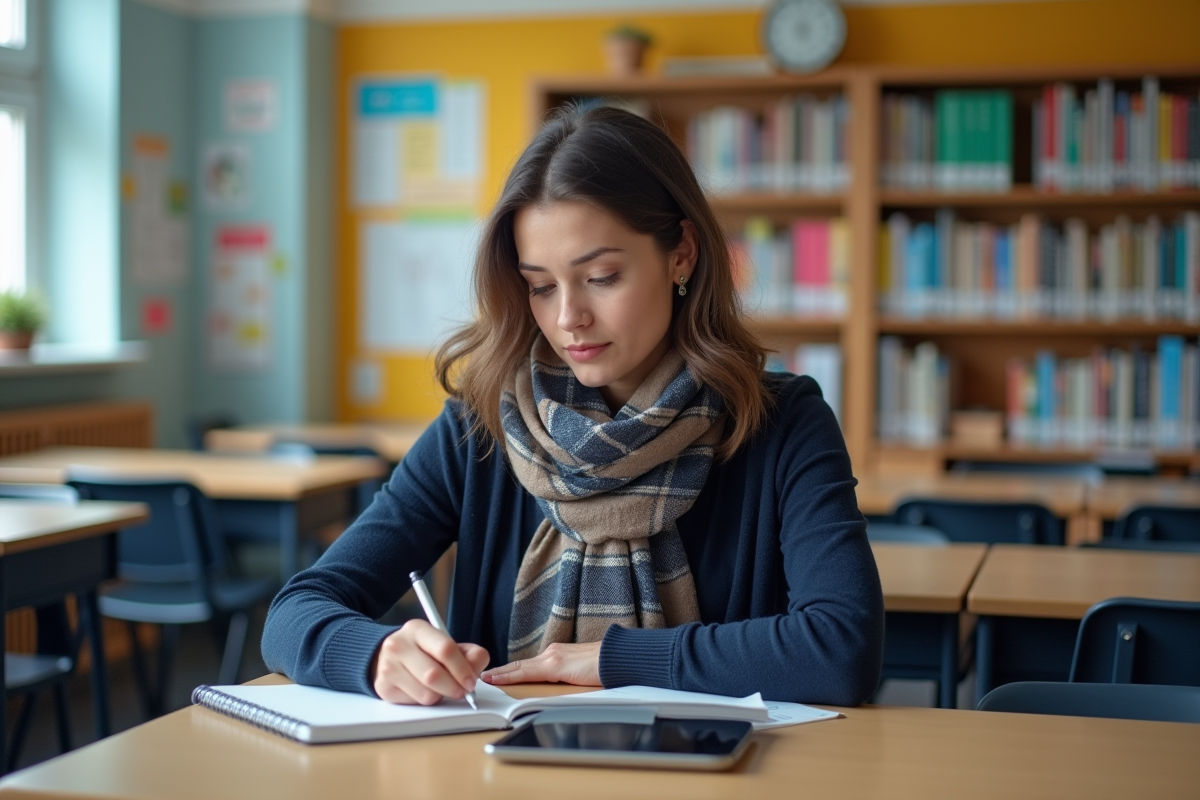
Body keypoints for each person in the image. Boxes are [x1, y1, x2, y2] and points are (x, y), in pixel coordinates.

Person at [262, 105, 883, 707]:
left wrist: (619, 659)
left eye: (602, 276)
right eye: (540, 286)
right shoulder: (476, 430)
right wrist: (375, 657)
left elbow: (842, 648)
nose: (568, 318)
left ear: (682, 254)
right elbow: (294, 614)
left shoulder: (783, 424)